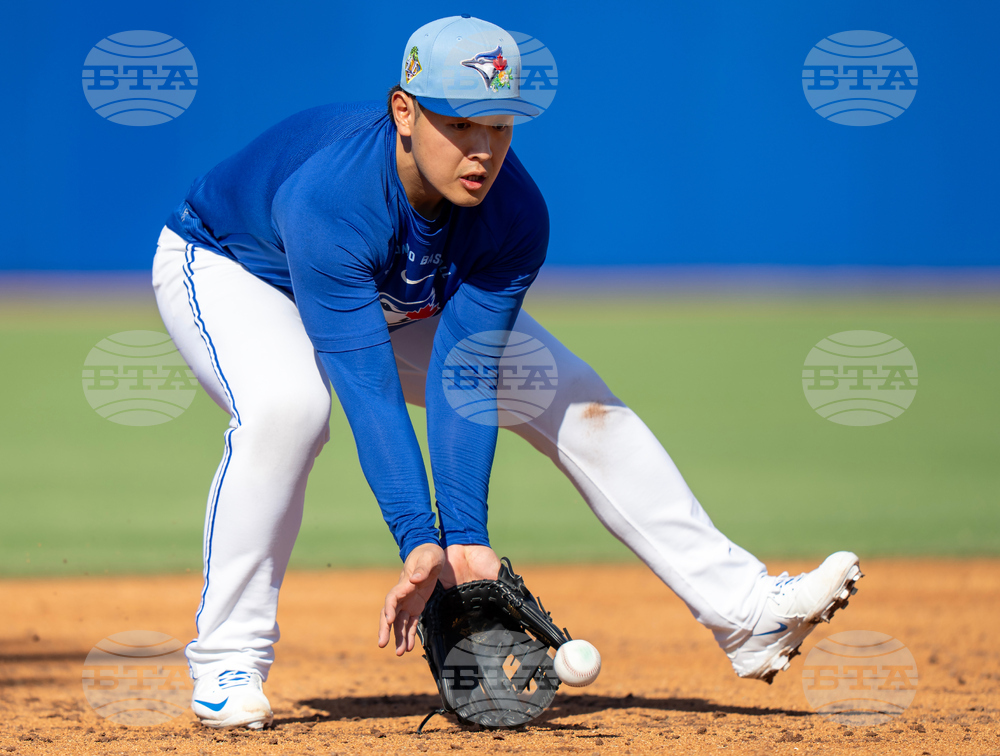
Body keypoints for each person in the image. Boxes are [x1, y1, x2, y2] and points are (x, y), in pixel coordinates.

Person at [151, 16, 861, 730]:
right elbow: (366, 387)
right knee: (289, 410)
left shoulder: (514, 214)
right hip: (236, 269)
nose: (482, 151)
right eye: (460, 125)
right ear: (404, 111)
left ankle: (747, 613)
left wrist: (464, 540)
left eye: (499, 126)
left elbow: (465, 376)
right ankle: (227, 661)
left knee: (574, 397)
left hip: (391, 293)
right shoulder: (331, 199)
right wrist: (415, 538)